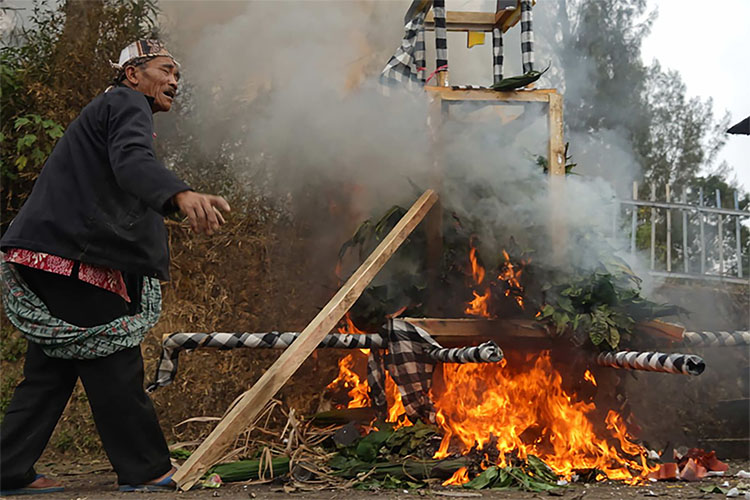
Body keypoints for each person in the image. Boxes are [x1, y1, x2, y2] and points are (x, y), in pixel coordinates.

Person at [0, 40, 229, 495]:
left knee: (51, 370)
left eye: (178, 76)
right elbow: (132, 162)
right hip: (69, 257)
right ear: (132, 74)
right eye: (165, 70)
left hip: (49, 254)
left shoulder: (108, 108)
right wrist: (180, 195)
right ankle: (145, 468)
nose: (174, 82)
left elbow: (124, 168)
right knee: (113, 359)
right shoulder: (127, 103)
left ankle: (7, 468)